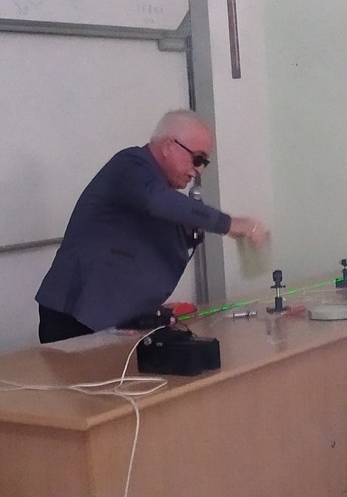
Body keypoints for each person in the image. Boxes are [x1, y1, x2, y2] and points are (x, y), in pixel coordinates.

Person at [35, 109, 269, 343]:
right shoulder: (130, 166)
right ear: (169, 146)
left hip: (114, 318)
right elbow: (156, 202)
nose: (199, 170)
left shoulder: (159, 189)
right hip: (75, 313)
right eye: (197, 158)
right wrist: (229, 224)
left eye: (204, 162)